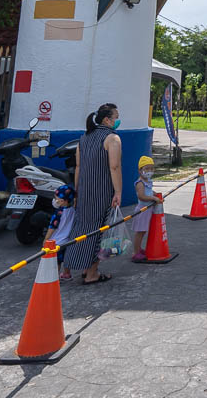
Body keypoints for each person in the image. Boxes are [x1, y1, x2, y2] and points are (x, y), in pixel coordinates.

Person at [67, 103, 123, 285]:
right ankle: (92, 273)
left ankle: (85, 268)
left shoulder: (83, 138)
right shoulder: (112, 138)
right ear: (107, 119)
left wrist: (77, 193)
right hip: (102, 192)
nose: (118, 120)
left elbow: (78, 167)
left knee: (83, 230)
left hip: (84, 191)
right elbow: (114, 166)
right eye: (116, 117)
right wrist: (118, 191)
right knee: (99, 230)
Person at [45, 184, 76, 282]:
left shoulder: (58, 213)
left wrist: (46, 239)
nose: (55, 200)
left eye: (56, 198)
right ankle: (67, 274)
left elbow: (52, 227)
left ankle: (55, 279)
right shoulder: (73, 210)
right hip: (68, 240)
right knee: (66, 258)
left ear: (62, 201)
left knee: (57, 261)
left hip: (57, 241)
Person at [131, 155, 158, 261]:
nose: (149, 171)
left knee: (143, 232)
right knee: (139, 232)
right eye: (146, 169)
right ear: (140, 170)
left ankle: (139, 249)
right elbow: (141, 196)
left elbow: (149, 191)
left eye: (151, 169)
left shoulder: (148, 181)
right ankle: (135, 252)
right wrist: (153, 198)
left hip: (147, 211)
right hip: (142, 211)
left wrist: (154, 194)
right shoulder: (140, 183)